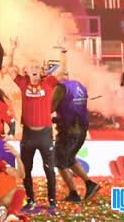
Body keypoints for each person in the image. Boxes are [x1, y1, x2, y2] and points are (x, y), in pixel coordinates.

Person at [12, 61, 59, 213]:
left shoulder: (49, 82)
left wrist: (63, 52)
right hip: (28, 134)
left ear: (41, 71)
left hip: (45, 134)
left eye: (36, 67)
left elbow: (63, 69)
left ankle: (52, 202)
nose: (34, 69)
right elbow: (9, 69)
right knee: (26, 169)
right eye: (31, 67)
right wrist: (12, 51)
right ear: (26, 71)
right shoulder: (23, 83)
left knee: (49, 170)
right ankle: (30, 200)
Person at [53, 66, 99, 203]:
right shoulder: (79, 85)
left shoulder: (60, 88)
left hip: (68, 131)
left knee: (59, 162)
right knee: (70, 159)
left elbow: (49, 107)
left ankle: (73, 193)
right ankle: (90, 184)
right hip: (82, 129)